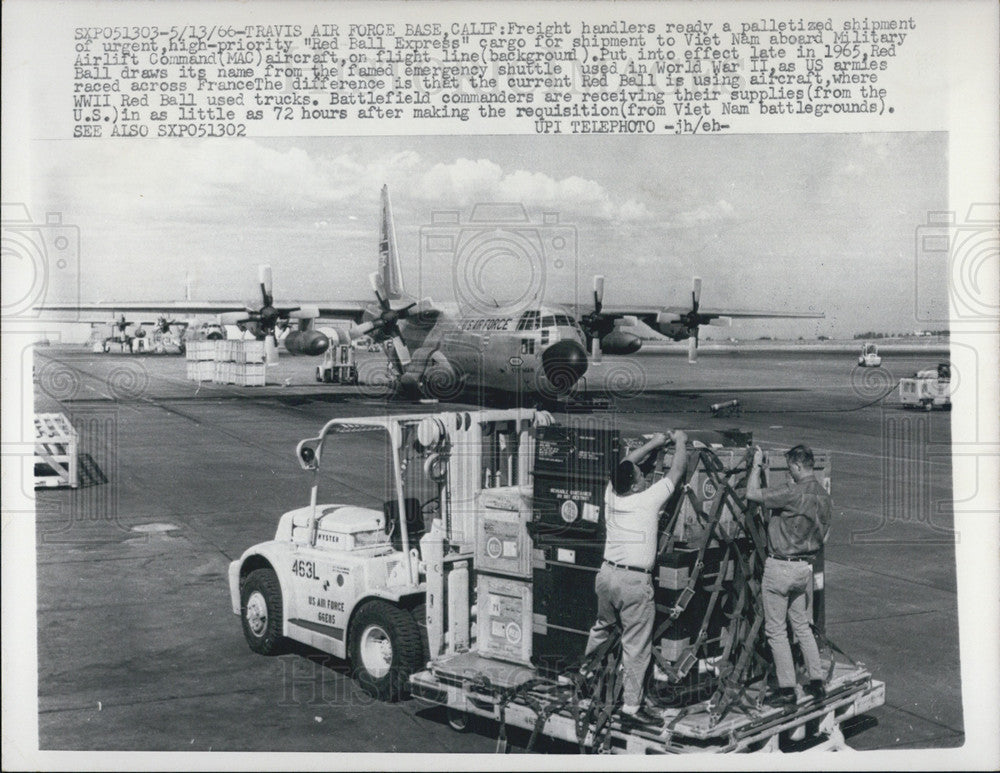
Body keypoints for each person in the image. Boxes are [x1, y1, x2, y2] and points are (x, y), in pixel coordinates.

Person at [584, 430, 688, 725]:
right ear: (633, 485)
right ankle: (632, 708)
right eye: (641, 477)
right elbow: (678, 471)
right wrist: (679, 440)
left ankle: (587, 681)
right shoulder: (647, 501)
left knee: (602, 628)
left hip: (606, 575)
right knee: (636, 645)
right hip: (633, 582)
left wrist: (656, 442)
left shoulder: (611, 495)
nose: (646, 479)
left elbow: (626, 463)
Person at [746, 444, 832, 707]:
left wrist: (756, 465)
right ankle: (816, 681)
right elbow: (825, 534)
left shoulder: (791, 492)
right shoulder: (824, 496)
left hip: (780, 567)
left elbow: (751, 494)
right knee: (802, 626)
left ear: (795, 467)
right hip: (804, 569)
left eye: (790, 469)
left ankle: (786, 688)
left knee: (776, 630)